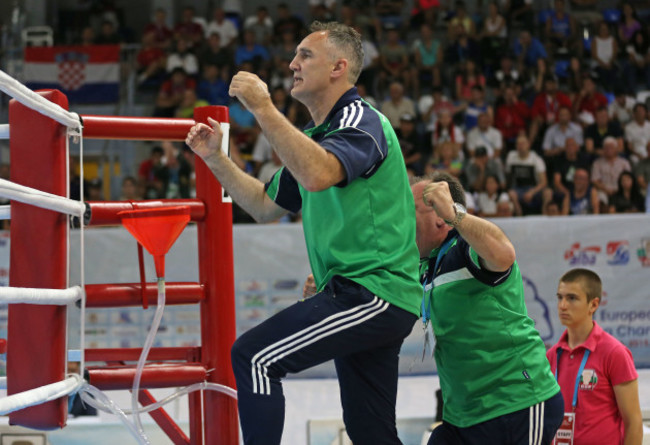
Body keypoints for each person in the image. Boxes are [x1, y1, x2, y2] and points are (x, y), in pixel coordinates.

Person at [185, 21, 421, 445]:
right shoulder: (314, 138)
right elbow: (261, 206)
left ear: (338, 67)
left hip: (372, 292)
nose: (292, 64)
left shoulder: (360, 119)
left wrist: (263, 108)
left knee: (254, 357)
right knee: (372, 434)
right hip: (371, 295)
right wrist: (214, 158)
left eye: (304, 56)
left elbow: (316, 174)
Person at [411, 171, 563, 444]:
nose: (400, 219)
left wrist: (456, 216)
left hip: (516, 404)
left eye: (410, 210)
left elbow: (504, 253)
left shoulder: (464, 248)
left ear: (439, 215)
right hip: (463, 417)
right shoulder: (427, 268)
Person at [547, 269, 643, 445]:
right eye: (560, 297)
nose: (562, 305)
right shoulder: (551, 355)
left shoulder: (614, 353)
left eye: (572, 298)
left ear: (593, 304)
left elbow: (634, 423)